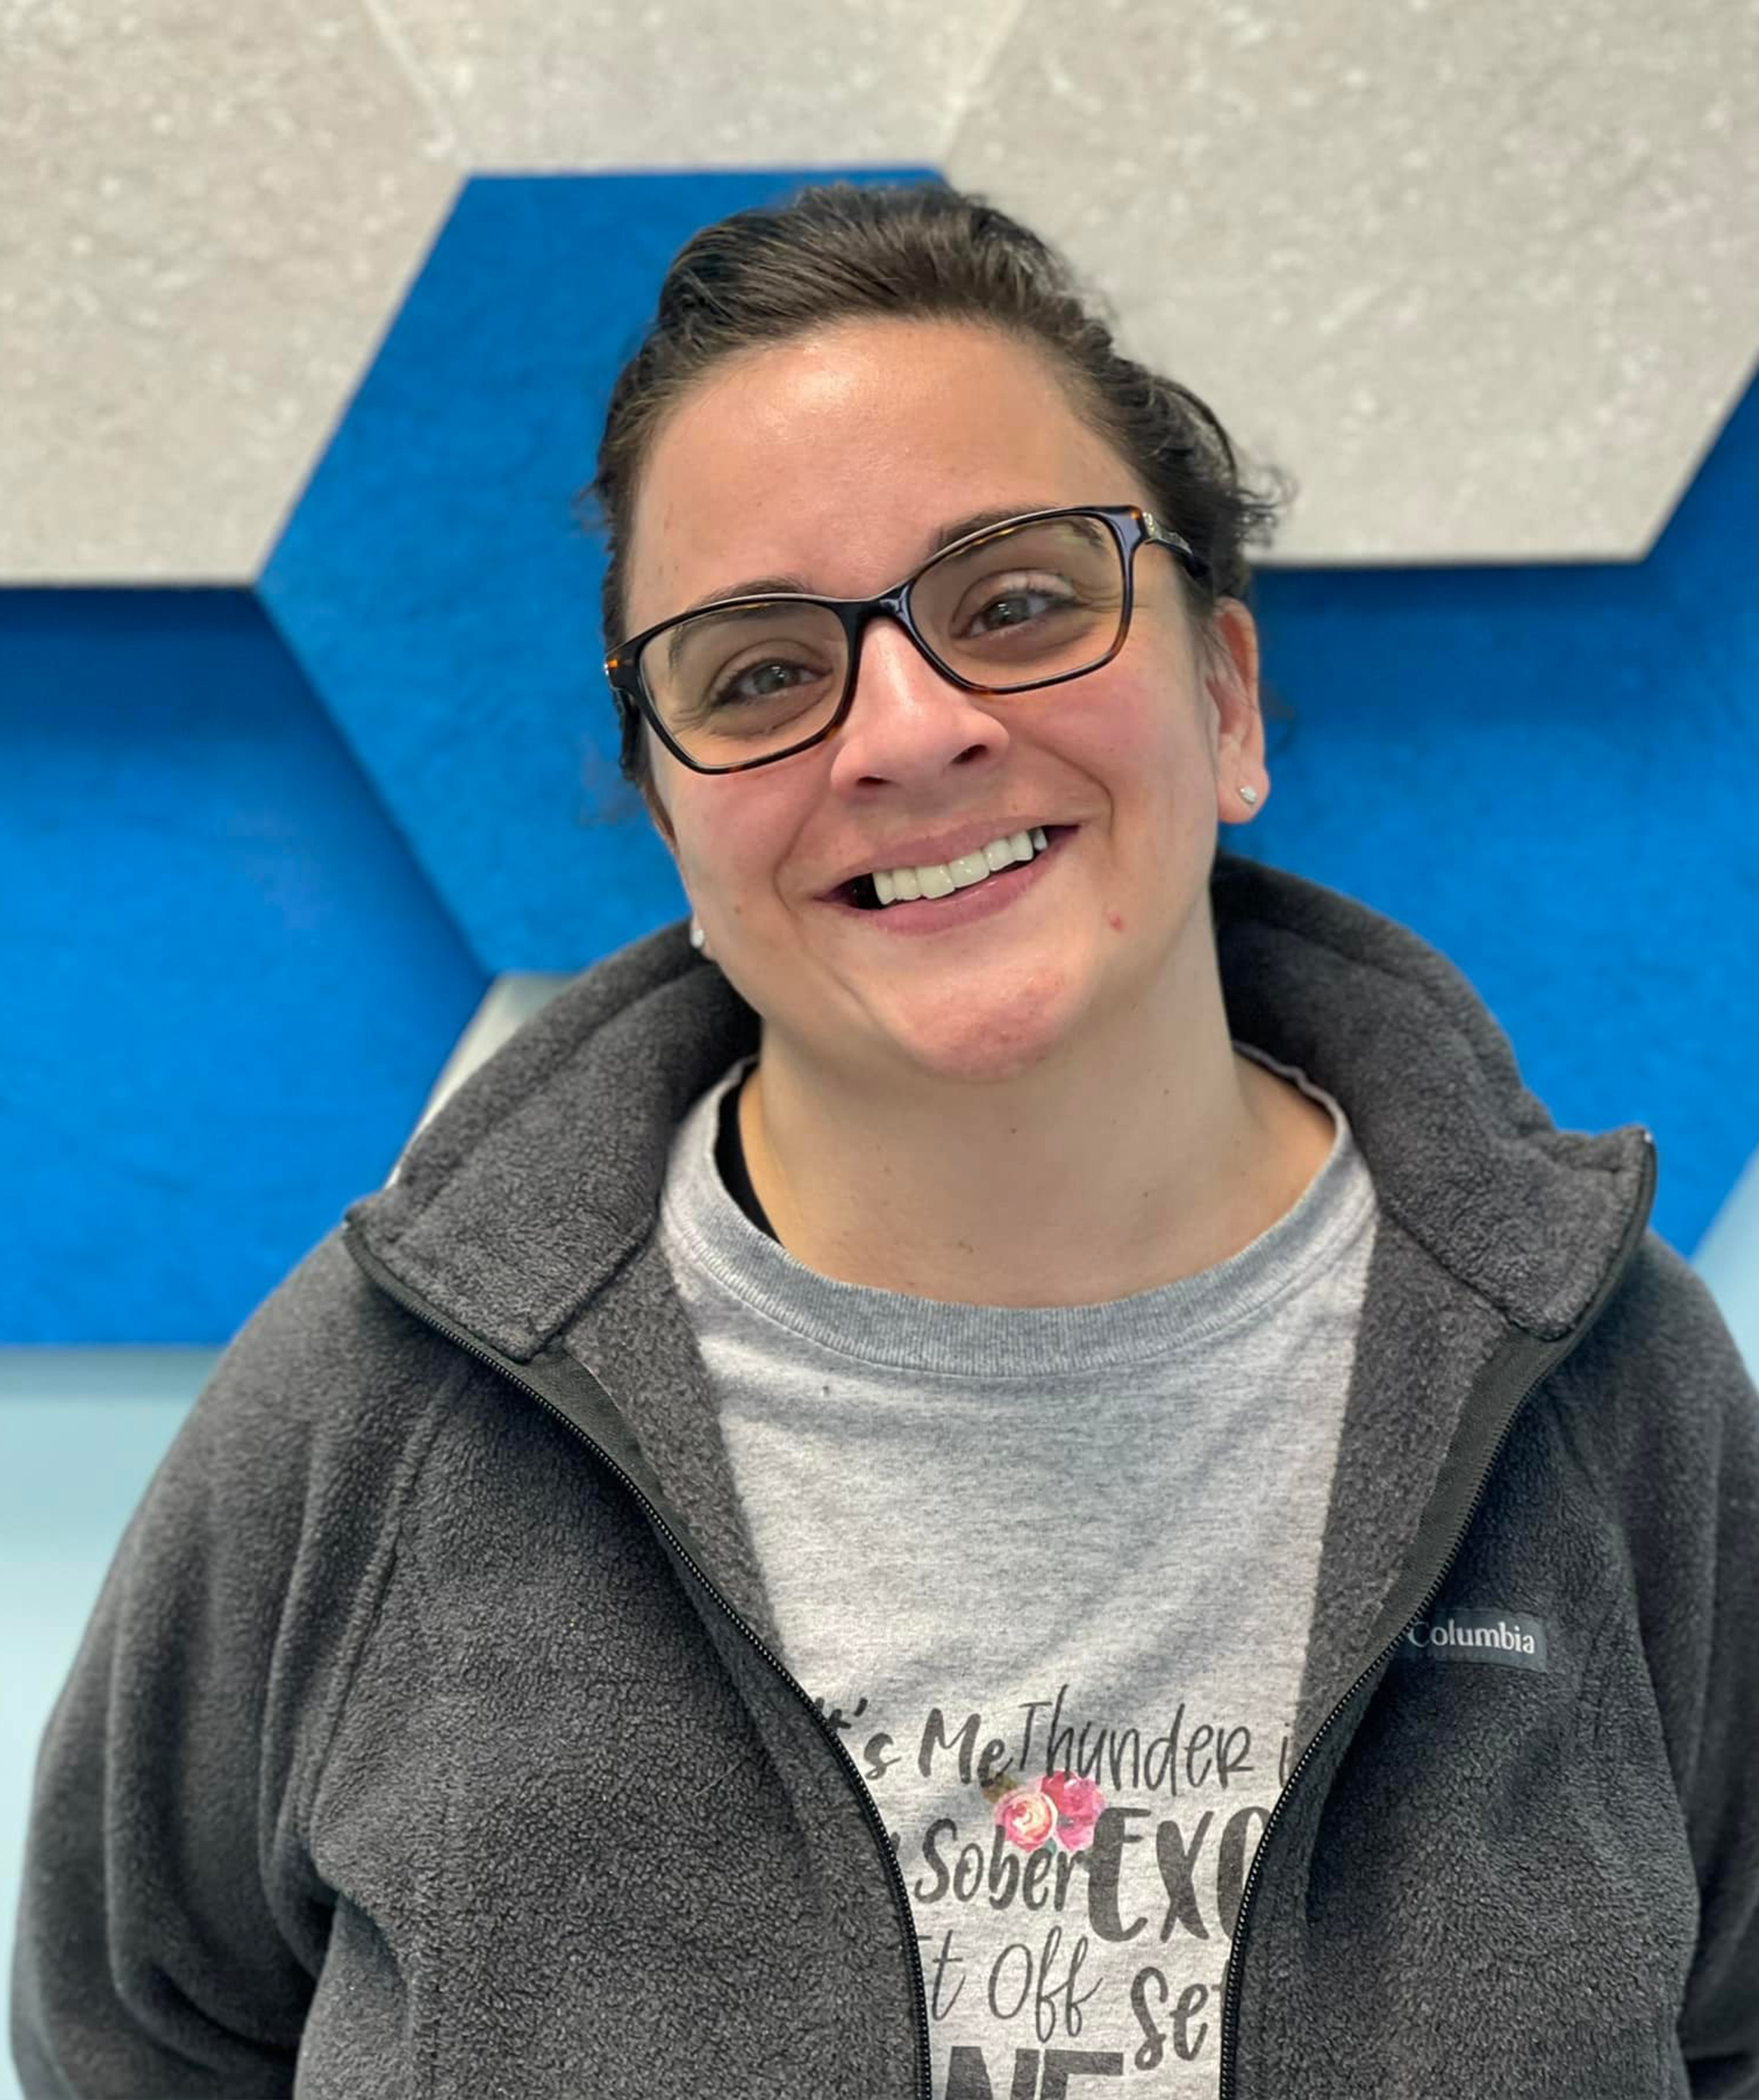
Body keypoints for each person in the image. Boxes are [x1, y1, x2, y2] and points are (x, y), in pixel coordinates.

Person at [9, 180, 1757, 2100]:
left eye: (1017, 602)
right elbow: (134, 2038)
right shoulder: (374, 1405)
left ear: (1227, 696)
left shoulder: (1615, 1386)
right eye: (760, 672)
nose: (908, 731)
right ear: (674, 823)